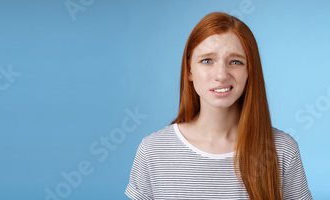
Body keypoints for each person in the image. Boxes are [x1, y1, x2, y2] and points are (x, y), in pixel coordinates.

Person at [125, 12, 312, 199]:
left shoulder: (282, 150)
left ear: (250, 72)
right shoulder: (152, 150)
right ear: (189, 70)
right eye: (207, 60)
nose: (221, 75)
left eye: (235, 62)